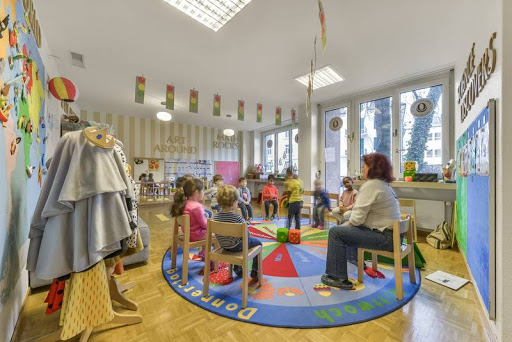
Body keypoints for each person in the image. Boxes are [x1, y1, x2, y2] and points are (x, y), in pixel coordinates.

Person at [321, 153, 400, 290]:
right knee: (347, 219)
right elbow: (361, 215)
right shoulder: (384, 185)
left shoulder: (371, 185)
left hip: (385, 238)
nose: (362, 169)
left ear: (373, 168)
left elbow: (357, 220)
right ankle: (354, 261)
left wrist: (346, 225)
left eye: (364, 167)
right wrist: (348, 221)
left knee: (335, 232)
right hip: (393, 236)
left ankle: (336, 276)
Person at [213, 185, 261, 281]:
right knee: (258, 243)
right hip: (237, 247)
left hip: (224, 246)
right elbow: (245, 234)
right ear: (233, 203)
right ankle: (255, 272)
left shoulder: (215, 217)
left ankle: (238, 268)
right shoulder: (237, 218)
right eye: (237, 201)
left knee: (238, 240)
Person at [170, 178, 209, 257]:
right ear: (197, 192)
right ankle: (209, 258)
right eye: (203, 191)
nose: (203, 193)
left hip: (187, 234)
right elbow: (205, 225)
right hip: (196, 235)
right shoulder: (197, 207)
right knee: (216, 234)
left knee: (206, 231)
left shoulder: (182, 204)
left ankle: (203, 253)